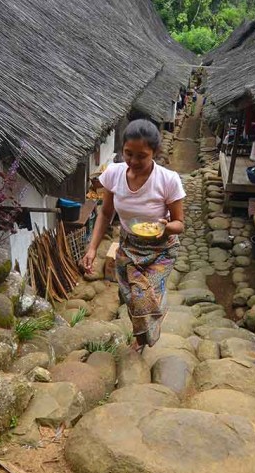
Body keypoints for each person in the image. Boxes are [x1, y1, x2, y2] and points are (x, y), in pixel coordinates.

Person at [82, 119, 185, 352]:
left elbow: (180, 224)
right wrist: (92, 249)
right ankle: (148, 321)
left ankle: (142, 338)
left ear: (155, 153)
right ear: (122, 150)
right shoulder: (113, 175)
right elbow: (106, 213)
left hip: (161, 249)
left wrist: (165, 226)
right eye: (128, 154)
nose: (133, 161)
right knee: (129, 296)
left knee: (141, 297)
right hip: (128, 246)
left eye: (142, 156)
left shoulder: (168, 180)